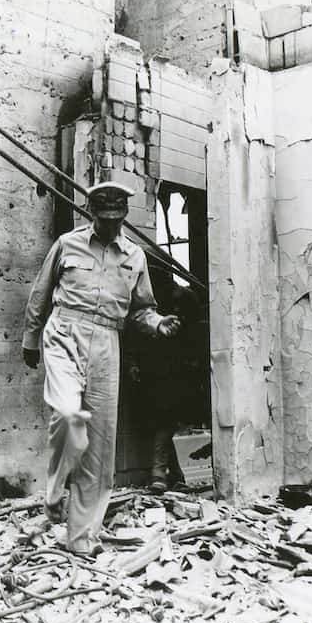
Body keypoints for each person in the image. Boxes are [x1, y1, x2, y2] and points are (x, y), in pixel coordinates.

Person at [22, 182, 181, 556]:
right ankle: (55, 489)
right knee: (67, 414)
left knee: (99, 449)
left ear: (124, 216)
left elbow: (141, 309)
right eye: (103, 218)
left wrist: (157, 324)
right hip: (64, 332)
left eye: (116, 218)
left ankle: (81, 539)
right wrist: (30, 337)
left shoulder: (135, 257)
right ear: (91, 213)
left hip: (108, 342)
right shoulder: (67, 244)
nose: (110, 226)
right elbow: (40, 293)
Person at [124, 268, 208, 493]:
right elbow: (133, 332)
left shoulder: (185, 298)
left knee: (164, 421)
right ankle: (176, 474)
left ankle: (158, 473)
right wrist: (132, 363)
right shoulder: (146, 304)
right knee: (155, 421)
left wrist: (195, 366)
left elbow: (198, 333)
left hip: (179, 369)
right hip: (153, 368)